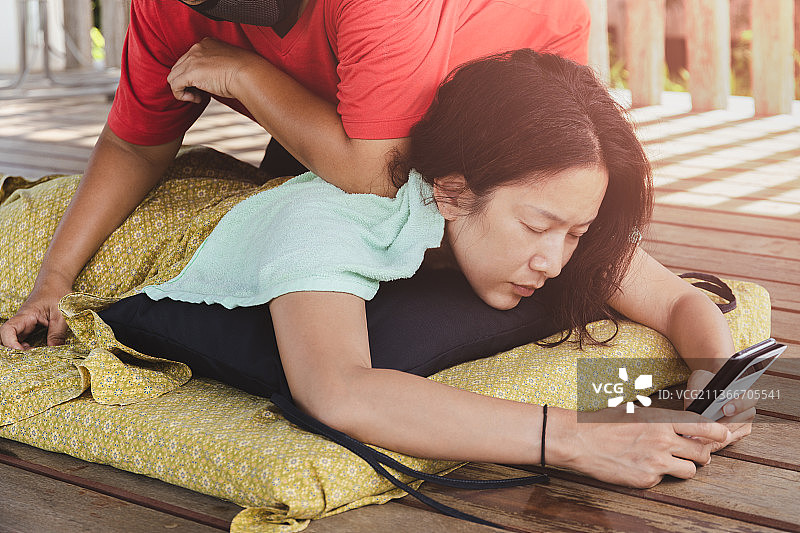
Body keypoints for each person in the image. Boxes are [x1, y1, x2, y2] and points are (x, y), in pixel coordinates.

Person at [120, 50, 752, 489]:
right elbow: (335, 389)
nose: (555, 261)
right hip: (161, 234)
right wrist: (577, 438)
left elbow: (678, 303)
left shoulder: (549, 203)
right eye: (535, 228)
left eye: (576, 233)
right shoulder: (334, 219)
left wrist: (715, 385)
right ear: (451, 193)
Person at [0, 0, 591, 350]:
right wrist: (52, 286)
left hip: (513, 97)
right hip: (352, 109)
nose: (553, 257)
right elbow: (134, 145)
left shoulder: (535, 200)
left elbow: (378, 174)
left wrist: (244, 74)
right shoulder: (167, 7)